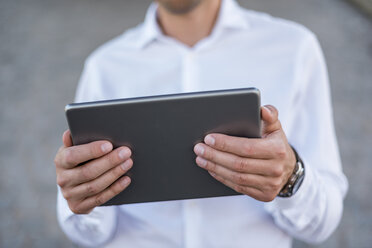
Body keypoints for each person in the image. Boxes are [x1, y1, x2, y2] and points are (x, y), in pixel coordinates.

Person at [54, 0, 348, 247]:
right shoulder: (105, 66)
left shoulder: (294, 48)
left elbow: (323, 223)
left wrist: (290, 176)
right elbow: (88, 233)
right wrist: (83, 199)